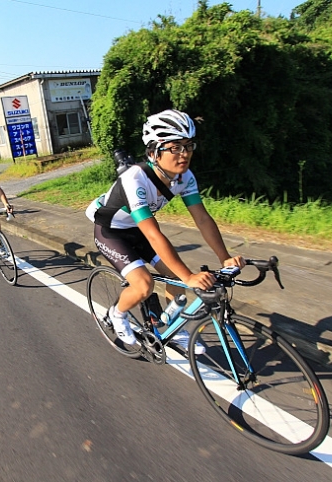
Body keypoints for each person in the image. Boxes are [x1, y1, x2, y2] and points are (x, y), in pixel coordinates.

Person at [86, 109, 245, 353]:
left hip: (137, 230)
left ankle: (172, 329)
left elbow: (202, 219)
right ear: (153, 152)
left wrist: (224, 257)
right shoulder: (135, 178)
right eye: (175, 148)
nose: (185, 154)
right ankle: (117, 314)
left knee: (175, 279)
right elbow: (153, 234)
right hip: (111, 232)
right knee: (144, 284)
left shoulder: (185, 177)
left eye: (189, 145)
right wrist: (189, 276)